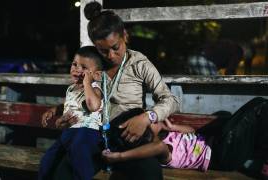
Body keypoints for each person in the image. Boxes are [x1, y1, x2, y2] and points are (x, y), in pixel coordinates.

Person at [54, 1, 180, 180]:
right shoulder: (93, 64)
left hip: (127, 136)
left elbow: (171, 100)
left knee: (150, 172)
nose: (111, 56)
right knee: (63, 171)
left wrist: (146, 117)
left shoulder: (139, 63)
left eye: (115, 47)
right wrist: (67, 116)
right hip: (94, 136)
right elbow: (79, 97)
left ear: (125, 36)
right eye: (103, 51)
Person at [102, 97, 268, 178]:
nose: (154, 117)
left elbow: (191, 132)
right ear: (144, 134)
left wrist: (174, 127)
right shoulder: (161, 150)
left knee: (228, 115)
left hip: (220, 146)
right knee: (259, 106)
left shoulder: (168, 135)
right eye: (150, 120)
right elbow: (158, 147)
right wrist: (120, 156)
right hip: (221, 156)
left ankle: (262, 158)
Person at [38, 46, 104, 180]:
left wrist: (87, 83)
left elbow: (93, 105)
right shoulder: (71, 89)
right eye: (74, 64)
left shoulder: (95, 89)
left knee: (79, 156)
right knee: (47, 160)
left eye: (84, 68)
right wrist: (54, 110)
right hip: (69, 133)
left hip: (88, 134)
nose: (76, 69)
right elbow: (69, 106)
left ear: (96, 74)